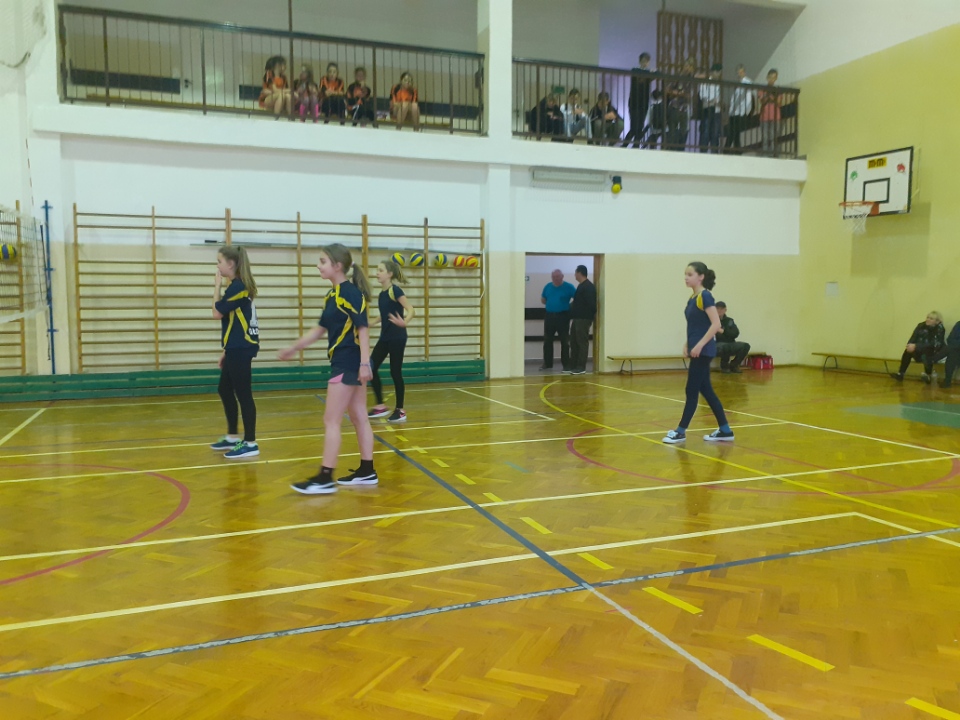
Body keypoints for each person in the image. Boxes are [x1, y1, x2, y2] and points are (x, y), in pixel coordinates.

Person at [278, 244, 376, 494]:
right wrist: (294, 347)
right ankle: (367, 470)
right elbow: (319, 329)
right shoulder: (332, 296)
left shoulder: (351, 293)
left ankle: (325, 478)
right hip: (349, 362)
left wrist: (365, 363)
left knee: (331, 420)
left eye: (322, 261)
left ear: (337, 266)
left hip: (348, 362)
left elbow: (363, 328)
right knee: (359, 416)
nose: (318, 266)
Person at [662, 262, 734, 444]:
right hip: (697, 349)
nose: (686, 278)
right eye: (685, 274)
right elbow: (696, 326)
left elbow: (716, 324)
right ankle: (725, 430)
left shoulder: (705, 296)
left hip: (704, 351)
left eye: (690, 274)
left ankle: (680, 431)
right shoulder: (693, 298)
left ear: (701, 277)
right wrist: (688, 343)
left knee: (691, 389)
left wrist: (700, 345)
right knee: (706, 390)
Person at [210, 246, 261, 459]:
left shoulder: (239, 287)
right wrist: (226, 350)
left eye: (219, 262)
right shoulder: (236, 286)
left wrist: (216, 286)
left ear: (230, 264)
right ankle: (232, 436)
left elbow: (217, 313)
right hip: (235, 347)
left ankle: (250, 442)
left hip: (242, 347)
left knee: (243, 394)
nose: (217, 266)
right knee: (224, 389)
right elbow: (234, 321)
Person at [368, 260, 416, 423]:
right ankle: (380, 406)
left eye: (380, 270)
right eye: (377, 270)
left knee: (395, 372)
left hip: (397, 337)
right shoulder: (382, 294)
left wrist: (405, 322)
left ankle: (400, 410)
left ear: (389, 274)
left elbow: (411, 309)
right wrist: (370, 323)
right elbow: (384, 314)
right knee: (370, 367)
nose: (377, 273)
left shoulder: (395, 290)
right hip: (385, 337)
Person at [890, 311, 945, 384]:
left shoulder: (939, 329)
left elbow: (935, 344)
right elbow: (913, 337)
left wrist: (916, 346)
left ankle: (928, 375)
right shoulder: (920, 326)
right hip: (919, 349)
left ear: (937, 321)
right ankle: (901, 374)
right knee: (908, 351)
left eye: (931, 319)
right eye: (927, 317)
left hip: (933, 351)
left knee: (927, 353)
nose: (928, 319)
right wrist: (909, 345)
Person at [540, 269, 576, 371]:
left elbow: (577, 298)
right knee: (547, 341)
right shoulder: (548, 286)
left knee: (565, 341)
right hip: (549, 316)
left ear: (562, 276)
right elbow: (543, 299)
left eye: (557, 277)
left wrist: (569, 306)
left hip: (563, 316)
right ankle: (547, 363)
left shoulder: (569, 287)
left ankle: (566, 364)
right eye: (554, 277)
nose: (555, 279)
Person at [566, 265, 596, 375]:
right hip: (577, 318)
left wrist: (587, 316)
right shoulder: (581, 286)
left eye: (575, 272)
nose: (574, 275)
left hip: (583, 319)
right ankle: (573, 365)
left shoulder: (588, 287)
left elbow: (592, 305)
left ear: (579, 273)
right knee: (574, 342)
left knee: (581, 342)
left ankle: (581, 367)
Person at [622, 52, 652, 149]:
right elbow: (638, 73)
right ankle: (625, 145)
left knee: (640, 126)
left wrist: (651, 73)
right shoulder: (635, 71)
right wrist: (650, 73)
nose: (645, 63)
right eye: (643, 61)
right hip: (634, 103)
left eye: (646, 61)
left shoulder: (649, 74)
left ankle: (635, 145)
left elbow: (658, 74)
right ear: (640, 62)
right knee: (634, 126)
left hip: (644, 103)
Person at [665, 57, 696, 150]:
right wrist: (677, 93)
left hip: (684, 108)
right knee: (672, 131)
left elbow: (689, 95)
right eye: (686, 65)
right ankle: (670, 150)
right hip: (674, 107)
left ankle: (680, 150)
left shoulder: (691, 79)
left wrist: (678, 93)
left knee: (683, 132)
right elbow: (667, 89)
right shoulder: (678, 77)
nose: (687, 68)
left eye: (690, 66)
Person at [715, 301, 751, 373]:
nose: (719, 310)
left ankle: (734, 365)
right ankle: (724, 366)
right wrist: (727, 334)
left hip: (730, 343)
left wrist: (723, 331)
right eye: (717, 308)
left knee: (745, 346)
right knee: (726, 346)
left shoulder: (729, 321)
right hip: (716, 345)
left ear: (725, 310)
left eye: (721, 309)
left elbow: (735, 333)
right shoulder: (710, 321)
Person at [726, 64, 754, 151]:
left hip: (740, 111)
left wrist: (745, 110)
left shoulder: (747, 82)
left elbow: (747, 97)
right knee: (735, 131)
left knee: (733, 131)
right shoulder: (738, 83)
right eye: (738, 72)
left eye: (741, 72)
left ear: (744, 72)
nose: (739, 74)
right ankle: (737, 150)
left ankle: (727, 149)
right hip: (734, 111)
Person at [698, 63, 723, 153]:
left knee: (715, 133)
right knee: (706, 132)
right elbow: (703, 97)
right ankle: (703, 152)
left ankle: (714, 152)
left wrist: (717, 103)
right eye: (718, 72)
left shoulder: (717, 84)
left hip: (716, 111)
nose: (719, 75)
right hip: (708, 110)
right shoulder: (705, 82)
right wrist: (712, 101)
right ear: (714, 72)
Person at [758, 68, 781, 156]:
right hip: (764, 116)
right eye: (770, 77)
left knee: (773, 137)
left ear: (776, 78)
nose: (772, 79)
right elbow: (762, 101)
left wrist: (769, 97)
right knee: (765, 138)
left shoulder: (778, 90)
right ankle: (765, 155)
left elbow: (779, 102)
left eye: (774, 78)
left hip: (775, 116)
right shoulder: (762, 89)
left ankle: (773, 155)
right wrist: (771, 97)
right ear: (767, 78)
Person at [936, 321, 960, 388]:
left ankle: (934, 358)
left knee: (951, 351)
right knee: (952, 353)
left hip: (955, 348)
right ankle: (947, 381)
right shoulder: (958, 324)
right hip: (956, 350)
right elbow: (949, 338)